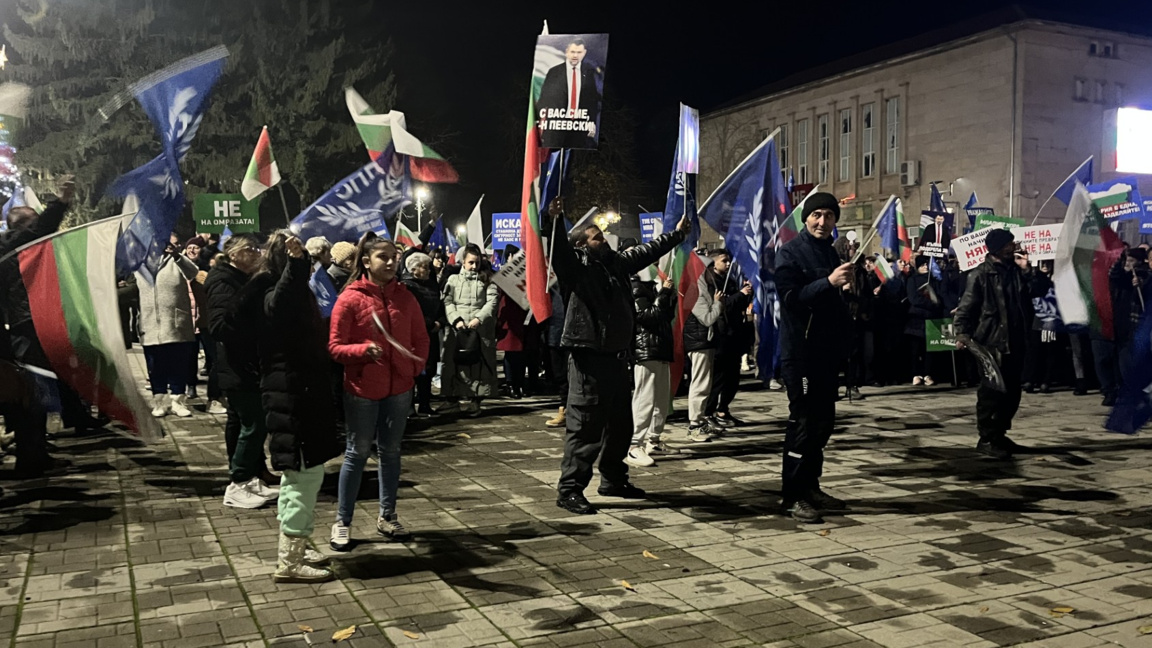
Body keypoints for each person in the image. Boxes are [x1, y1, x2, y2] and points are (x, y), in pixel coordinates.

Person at [547, 197, 690, 515]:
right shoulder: (575, 269)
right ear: (583, 244)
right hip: (588, 359)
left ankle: (613, 480)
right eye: (596, 235)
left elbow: (646, 251)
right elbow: (557, 250)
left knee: (621, 426)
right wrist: (553, 221)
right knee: (585, 428)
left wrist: (677, 234)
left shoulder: (615, 263)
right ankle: (570, 489)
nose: (603, 237)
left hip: (616, 358)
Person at [240, 230, 340, 582]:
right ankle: (290, 560)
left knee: (297, 476)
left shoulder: (285, 289)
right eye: (299, 259)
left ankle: (298, 544)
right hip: (290, 397)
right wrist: (296, 267)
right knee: (303, 475)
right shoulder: (268, 290)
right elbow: (280, 304)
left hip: (299, 394)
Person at [329, 233, 428, 551]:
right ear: (366, 262)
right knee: (356, 454)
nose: (391, 262)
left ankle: (388, 516)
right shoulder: (350, 298)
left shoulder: (406, 297)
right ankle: (342, 521)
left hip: (399, 389)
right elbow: (334, 347)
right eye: (383, 257)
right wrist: (362, 351)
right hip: (361, 390)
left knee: (391, 453)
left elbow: (421, 338)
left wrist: (413, 369)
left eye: (395, 257)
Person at [775, 192, 852, 523]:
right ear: (805, 218)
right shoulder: (790, 252)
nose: (823, 222)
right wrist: (828, 282)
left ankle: (811, 486)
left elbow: (835, 307)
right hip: (801, 353)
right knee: (803, 423)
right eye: (817, 215)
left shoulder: (832, 252)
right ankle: (792, 495)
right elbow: (791, 298)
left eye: (829, 216)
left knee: (823, 424)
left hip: (827, 352)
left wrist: (848, 290)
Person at [0, 177, 83, 476]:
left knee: (27, 395)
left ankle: (34, 452)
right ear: (19, 229)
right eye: (31, 225)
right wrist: (60, 203)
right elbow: (40, 229)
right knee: (28, 394)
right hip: (24, 328)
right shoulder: (10, 246)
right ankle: (31, 457)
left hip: (20, 328)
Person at [205, 233, 279, 510]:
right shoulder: (223, 280)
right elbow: (221, 326)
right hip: (237, 365)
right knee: (255, 423)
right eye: (250, 249)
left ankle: (249, 478)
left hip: (243, 364)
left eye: (257, 248)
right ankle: (238, 482)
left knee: (243, 423)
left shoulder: (237, 278)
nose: (256, 253)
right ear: (233, 253)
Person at [954, 228, 1034, 460]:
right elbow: (966, 308)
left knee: (1012, 392)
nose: (1014, 246)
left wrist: (1028, 271)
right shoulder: (980, 274)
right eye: (1009, 244)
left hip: (1015, 340)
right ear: (998, 248)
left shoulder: (1016, 271)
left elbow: (1037, 291)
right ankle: (987, 438)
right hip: (990, 342)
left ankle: (999, 434)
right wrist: (961, 334)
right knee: (991, 393)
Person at [138, 238, 200, 418]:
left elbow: (193, 272)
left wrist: (176, 254)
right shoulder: (140, 263)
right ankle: (159, 402)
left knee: (178, 364)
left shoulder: (177, 260)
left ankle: (178, 401)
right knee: (155, 366)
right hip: (150, 324)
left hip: (175, 323)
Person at [441, 245, 499, 416]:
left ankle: (476, 401)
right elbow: (447, 300)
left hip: (479, 332)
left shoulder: (488, 279)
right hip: (457, 330)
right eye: (471, 262)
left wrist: (478, 319)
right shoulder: (452, 280)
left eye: (477, 262)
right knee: (453, 364)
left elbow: (492, 302)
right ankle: (452, 400)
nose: (474, 266)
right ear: (463, 262)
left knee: (478, 367)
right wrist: (456, 319)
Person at [627, 274, 678, 467]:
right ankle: (634, 444)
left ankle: (653, 440)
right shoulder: (636, 288)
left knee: (661, 399)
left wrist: (668, 295)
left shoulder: (652, 287)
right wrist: (664, 293)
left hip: (660, 348)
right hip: (646, 349)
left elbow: (666, 316)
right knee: (644, 398)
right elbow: (648, 317)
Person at [705, 250, 755, 426]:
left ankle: (723, 410)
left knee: (733, 378)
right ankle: (708, 412)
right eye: (724, 261)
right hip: (720, 335)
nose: (728, 264)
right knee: (718, 377)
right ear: (713, 262)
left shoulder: (730, 280)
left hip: (734, 334)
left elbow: (737, 304)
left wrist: (747, 293)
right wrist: (740, 294)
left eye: (729, 261)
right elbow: (721, 306)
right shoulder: (710, 281)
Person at [400, 252, 446, 417]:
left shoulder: (432, 285)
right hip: (414, 335)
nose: (428, 270)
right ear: (414, 269)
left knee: (429, 368)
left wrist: (440, 322)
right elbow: (410, 311)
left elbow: (440, 306)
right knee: (414, 370)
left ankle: (425, 404)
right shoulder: (406, 286)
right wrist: (428, 323)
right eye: (425, 267)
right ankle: (410, 406)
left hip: (431, 333)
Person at [536, 37, 602, 149]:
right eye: (572, 52)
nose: (575, 55)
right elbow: (544, 99)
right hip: (556, 128)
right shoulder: (554, 72)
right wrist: (540, 123)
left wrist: (592, 122)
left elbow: (592, 101)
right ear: (567, 52)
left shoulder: (589, 73)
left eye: (579, 52)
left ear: (584, 53)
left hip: (579, 127)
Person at [905, 255, 943, 386]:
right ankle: (916, 374)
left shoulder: (933, 280)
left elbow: (939, 297)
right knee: (915, 349)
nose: (925, 267)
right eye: (922, 265)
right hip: (916, 319)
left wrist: (935, 302)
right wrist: (929, 302)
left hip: (930, 318)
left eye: (927, 264)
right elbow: (913, 298)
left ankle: (927, 374)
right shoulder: (912, 280)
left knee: (929, 349)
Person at [544, 287, 569, 428]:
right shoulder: (551, 277)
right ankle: (564, 409)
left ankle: (567, 409)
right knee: (560, 374)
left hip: (575, 330)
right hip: (556, 329)